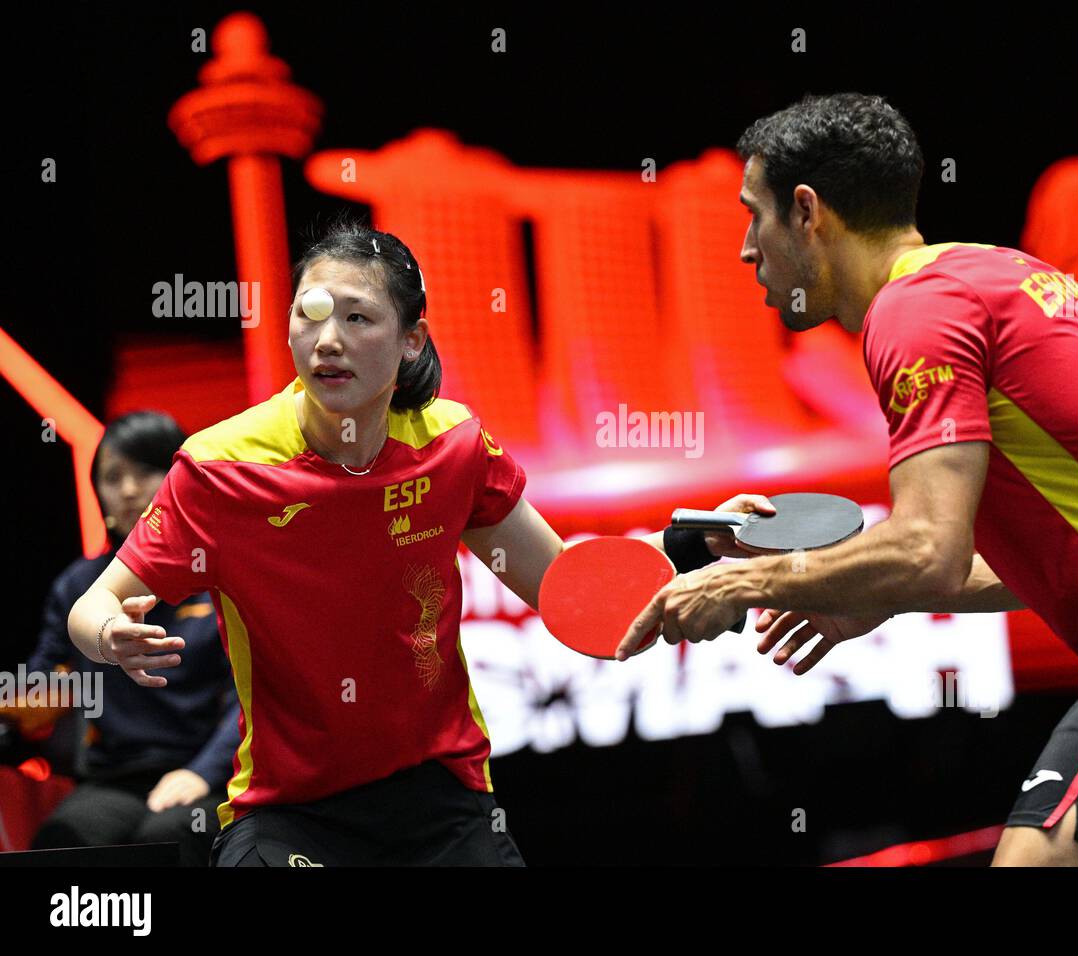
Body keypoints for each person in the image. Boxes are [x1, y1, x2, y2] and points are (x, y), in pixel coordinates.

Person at [615, 93, 1078, 867]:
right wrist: (862, 589)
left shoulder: (914, 315)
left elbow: (928, 549)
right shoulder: (992, 274)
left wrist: (742, 585)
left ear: (807, 211)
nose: (747, 249)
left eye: (754, 215)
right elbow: (1056, 555)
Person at [67, 221, 762, 866]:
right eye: (309, 315)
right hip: (290, 809)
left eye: (357, 317)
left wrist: (693, 549)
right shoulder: (222, 467)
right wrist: (110, 635)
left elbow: (569, 593)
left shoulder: (451, 448)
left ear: (412, 340)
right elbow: (92, 607)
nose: (327, 339)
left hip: (441, 794)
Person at [27, 412, 238, 866]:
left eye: (145, 471)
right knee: (64, 836)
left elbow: (251, 695)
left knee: (172, 833)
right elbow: (42, 681)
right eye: (111, 477)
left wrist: (203, 773)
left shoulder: (222, 573)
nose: (127, 490)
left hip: (209, 771)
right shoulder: (77, 585)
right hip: (115, 777)